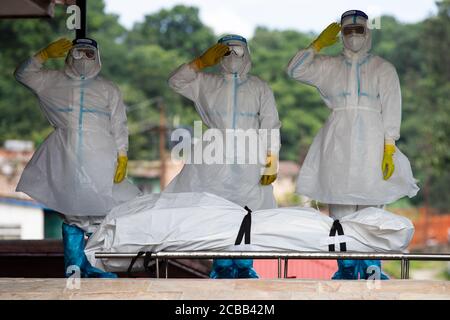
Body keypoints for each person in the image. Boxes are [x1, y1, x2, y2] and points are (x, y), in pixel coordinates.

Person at [286, 10, 419, 279]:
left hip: (372, 146)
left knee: (373, 218)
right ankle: (346, 275)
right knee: (342, 219)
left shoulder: (383, 68)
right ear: (340, 35)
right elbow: (295, 69)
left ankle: (372, 274)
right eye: (348, 31)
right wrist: (316, 46)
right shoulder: (328, 66)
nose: (354, 36)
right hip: (338, 146)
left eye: (360, 30)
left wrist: (389, 145)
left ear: (368, 33)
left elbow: (393, 106)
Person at [14, 38, 141, 278]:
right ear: (69, 55)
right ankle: (75, 272)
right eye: (78, 53)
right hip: (66, 156)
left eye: (89, 54)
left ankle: (98, 269)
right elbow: (22, 74)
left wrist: (122, 154)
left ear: (98, 57)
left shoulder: (107, 89)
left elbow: (119, 124)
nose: (83, 59)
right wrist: (41, 55)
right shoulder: (51, 81)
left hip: (101, 156)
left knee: (101, 212)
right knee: (72, 213)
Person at [167, 34, 281, 279]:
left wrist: (272, 156)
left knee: (247, 212)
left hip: (251, 154)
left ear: (247, 54)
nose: (231, 57)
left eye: (237, 51)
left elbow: (271, 122)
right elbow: (175, 81)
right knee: (217, 212)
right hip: (214, 155)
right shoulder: (205, 82)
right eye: (224, 52)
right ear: (216, 55)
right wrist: (198, 63)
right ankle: (221, 266)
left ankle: (243, 266)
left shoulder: (258, 86)